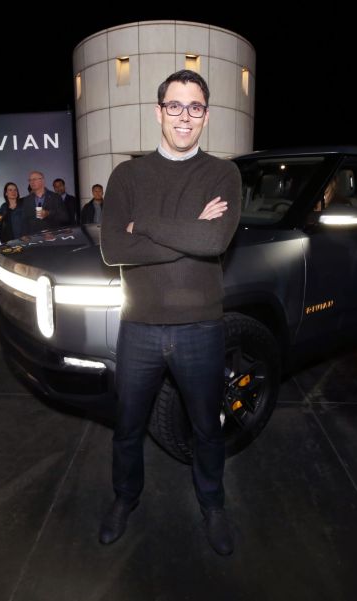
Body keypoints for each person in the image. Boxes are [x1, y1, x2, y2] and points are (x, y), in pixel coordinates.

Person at [99, 69, 241, 555]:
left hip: (201, 326)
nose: (185, 116)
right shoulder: (127, 175)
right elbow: (114, 247)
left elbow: (213, 240)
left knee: (207, 426)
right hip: (138, 325)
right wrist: (186, 232)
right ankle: (124, 498)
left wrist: (149, 225)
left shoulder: (223, 173)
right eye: (175, 106)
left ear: (206, 115)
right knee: (127, 427)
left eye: (195, 107)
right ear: (158, 111)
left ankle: (213, 505)